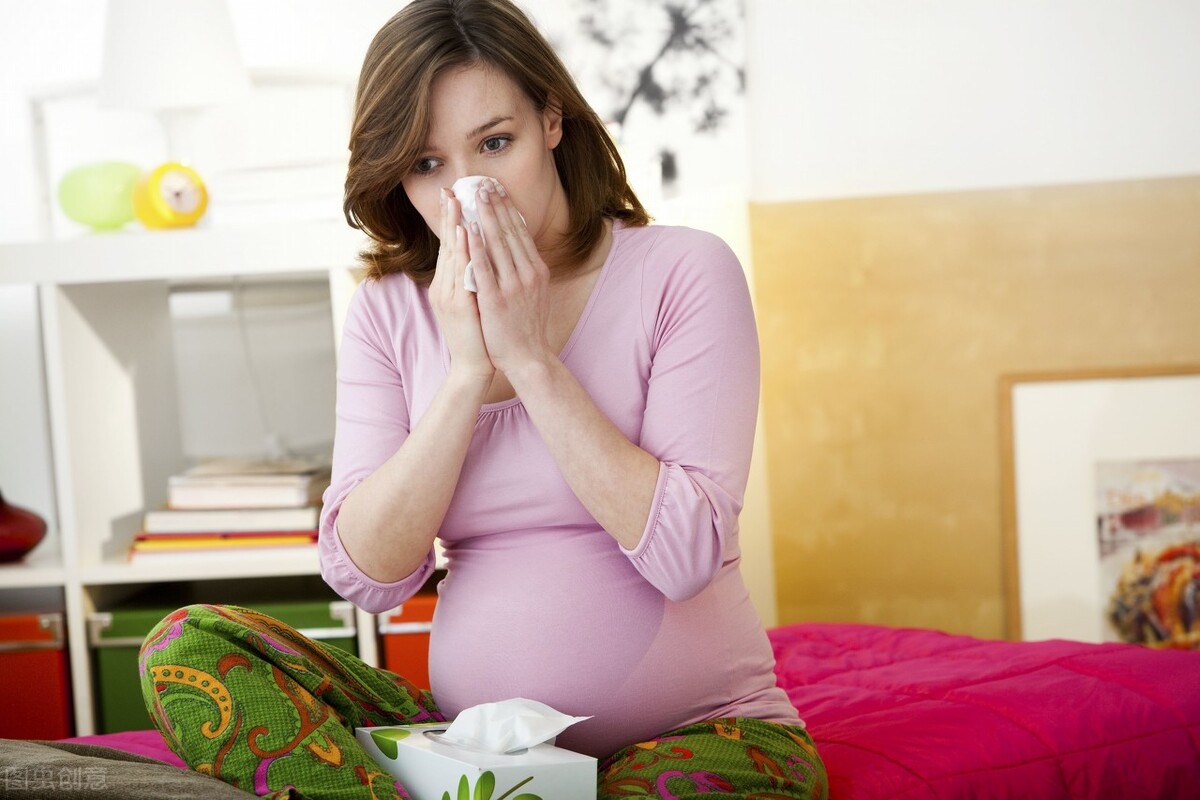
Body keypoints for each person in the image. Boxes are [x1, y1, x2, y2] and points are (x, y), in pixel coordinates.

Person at [138, 1, 828, 798]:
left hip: (700, 733)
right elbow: (367, 573)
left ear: (552, 122)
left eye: (495, 143)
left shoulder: (684, 271)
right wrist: (466, 373)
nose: (466, 190)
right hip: (473, 748)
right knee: (186, 647)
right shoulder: (390, 309)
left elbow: (685, 559)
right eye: (427, 164)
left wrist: (531, 361)